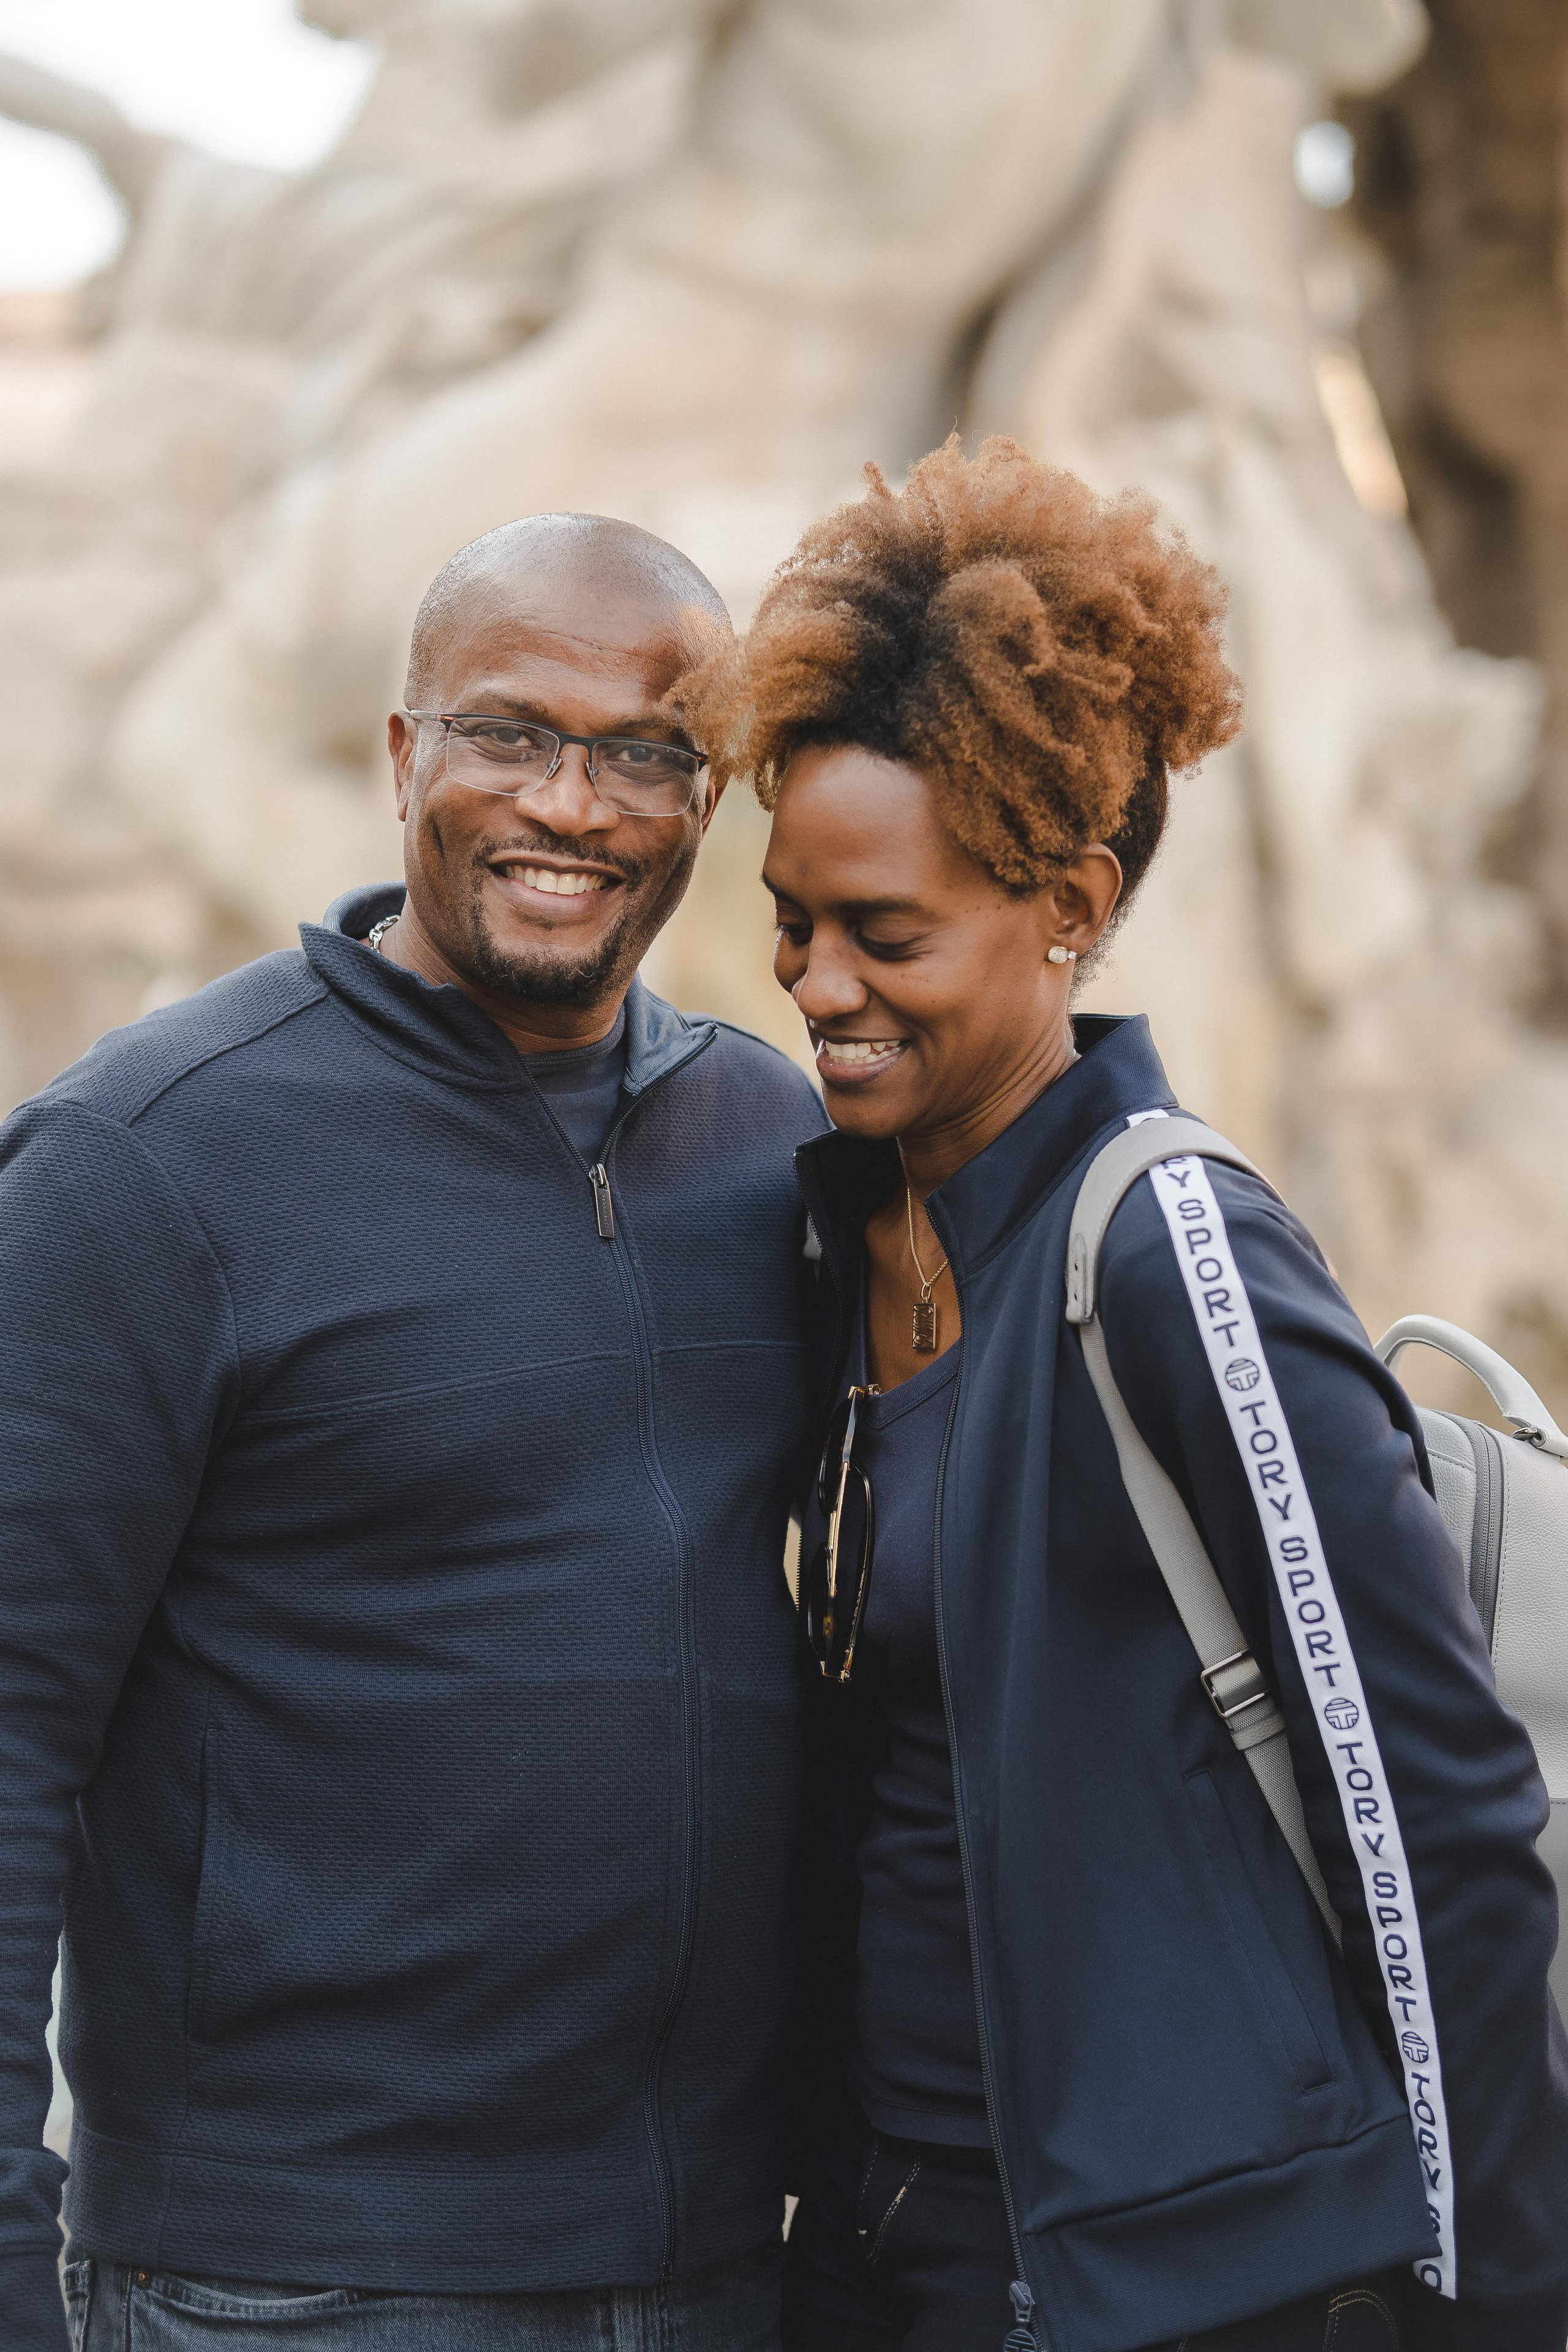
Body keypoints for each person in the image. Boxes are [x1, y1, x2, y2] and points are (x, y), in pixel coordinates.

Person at [676, 439, 1568, 2352]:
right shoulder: (847, 1234)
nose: (816, 984)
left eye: (887, 934)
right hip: (881, 2246)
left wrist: (1500, 2302)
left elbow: (1439, 1825)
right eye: (794, 919)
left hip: (1172, 2285)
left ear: (1069, 904)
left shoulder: (1173, 1259)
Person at [0, 512, 827, 2352]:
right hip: (291, 2282)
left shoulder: (770, 1145)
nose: (577, 804)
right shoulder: (149, 1161)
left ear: (711, 802)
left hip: (717, 2272)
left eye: (648, 753)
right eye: (511, 732)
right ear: (403, 759)